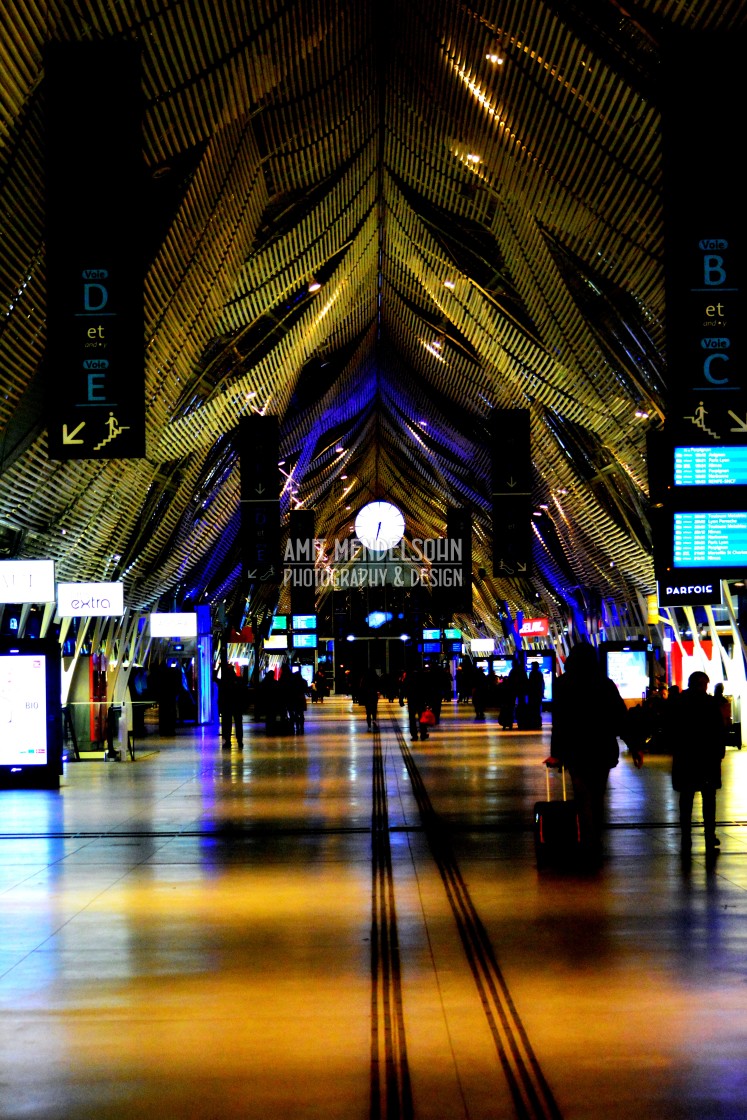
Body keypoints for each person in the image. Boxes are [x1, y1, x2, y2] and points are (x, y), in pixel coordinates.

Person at [551, 642, 642, 865]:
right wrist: (635, 745)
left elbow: (560, 722)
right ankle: (597, 840)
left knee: (583, 798)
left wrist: (556, 753)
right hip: (601, 750)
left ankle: (587, 841)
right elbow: (620, 717)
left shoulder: (563, 684)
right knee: (598, 796)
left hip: (575, 751)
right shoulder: (604, 684)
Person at [670, 671, 726, 856]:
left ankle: (686, 836)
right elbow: (718, 731)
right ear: (704, 685)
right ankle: (710, 834)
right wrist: (719, 752)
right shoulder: (710, 704)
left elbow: (673, 730)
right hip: (707, 760)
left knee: (686, 800)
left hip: (686, 759)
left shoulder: (679, 703)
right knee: (709, 799)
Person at [217, 663, 245, 749]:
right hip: (237, 705)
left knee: (227, 724)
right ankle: (239, 740)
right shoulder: (239, 681)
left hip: (227, 706)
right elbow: (242, 694)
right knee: (238, 723)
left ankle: (228, 741)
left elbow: (221, 695)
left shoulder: (224, 682)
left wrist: (220, 707)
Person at [526, 663, 544, 729]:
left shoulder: (532, 673)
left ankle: (533, 722)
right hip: (538, 693)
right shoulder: (540, 674)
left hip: (532, 694)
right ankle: (538, 723)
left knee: (533, 708)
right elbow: (542, 683)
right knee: (537, 709)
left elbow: (530, 683)